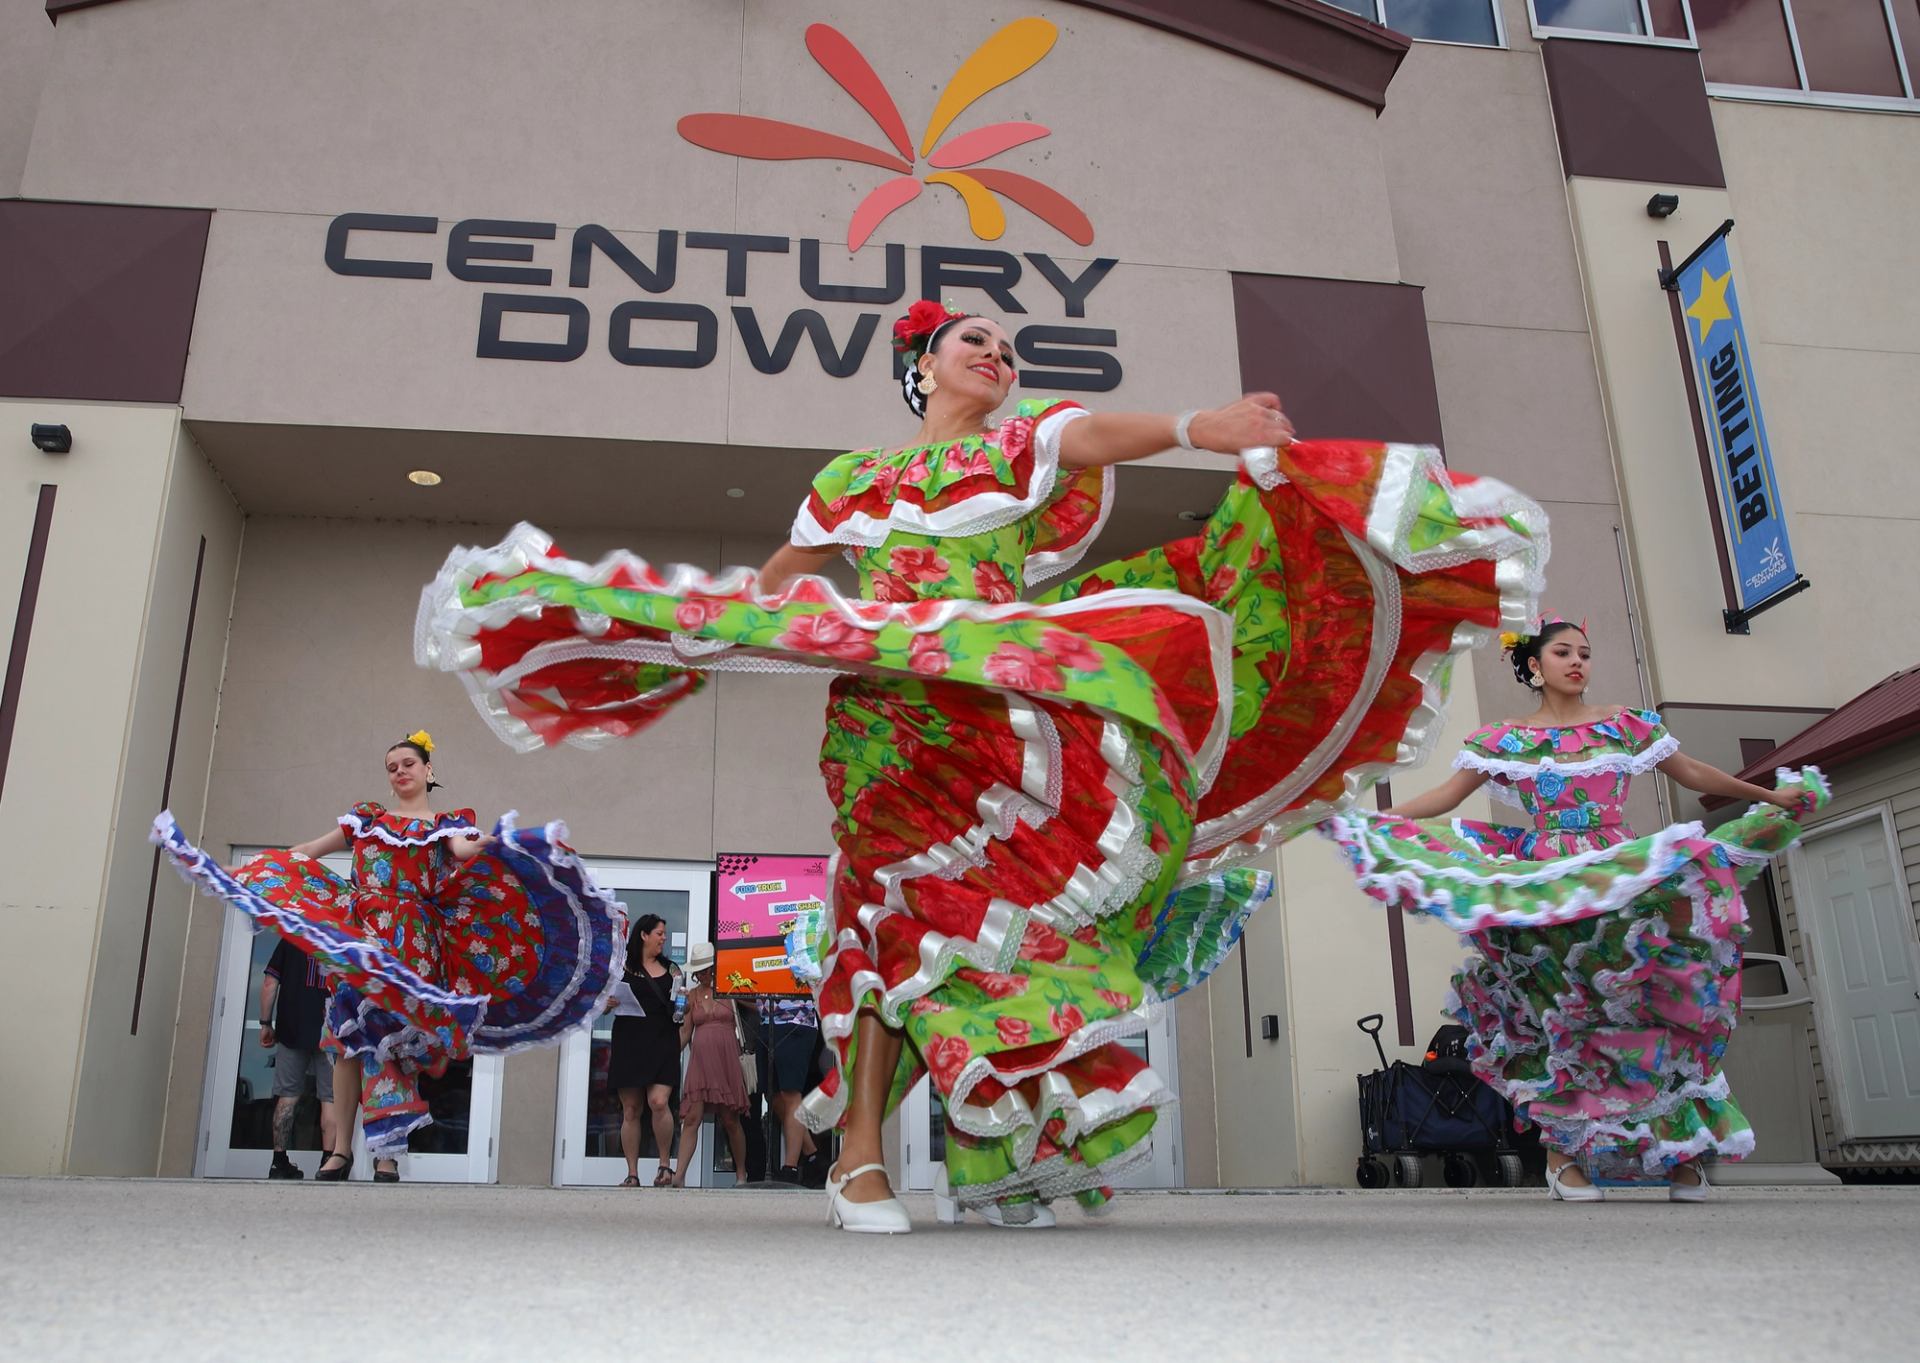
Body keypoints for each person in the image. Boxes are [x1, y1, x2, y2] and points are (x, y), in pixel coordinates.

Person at [415, 300, 1547, 1231]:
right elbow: (779, 579)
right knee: (888, 917)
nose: (998, 356)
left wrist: (1196, 426)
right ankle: (861, 1153)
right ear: (919, 366)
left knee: (985, 930)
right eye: (975, 342)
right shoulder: (854, 477)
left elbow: (1091, 437)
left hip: (1004, 713)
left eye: (1009, 348)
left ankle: (967, 1147)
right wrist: (703, 633)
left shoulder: (1021, 444)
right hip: (889, 718)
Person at [1317, 616, 1828, 1201]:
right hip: (1545, 886)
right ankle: (1561, 1160)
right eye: (1563, 652)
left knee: (1645, 1009)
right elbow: (1446, 797)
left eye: (1584, 652)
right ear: (1535, 666)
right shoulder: (1507, 739)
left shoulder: (1624, 725)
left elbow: (1691, 772)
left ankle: (1679, 1155)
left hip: (1619, 877)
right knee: (1557, 1018)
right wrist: (1376, 821)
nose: (1578, 661)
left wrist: (1769, 795)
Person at [154, 730, 623, 1182]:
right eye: (392, 767)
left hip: (411, 943)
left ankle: (387, 1155)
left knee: (391, 1042)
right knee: (345, 1039)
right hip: (360, 935)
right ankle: (341, 1150)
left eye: (408, 764)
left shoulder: (444, 825)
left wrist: (490, 842)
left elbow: (463, 849)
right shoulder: (367, 820)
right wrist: (249, 871)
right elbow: (307, 853)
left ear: (428, 770)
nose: (400, 772)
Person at [608, 913, 682, 1186]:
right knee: (631, 1109)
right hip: (629, 1041)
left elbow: (679, 1009)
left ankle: (665, 1166)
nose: (664, 938)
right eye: (659, 933)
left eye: (664, 934)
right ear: (644, 935)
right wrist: (607, 1004)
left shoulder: (673, 970)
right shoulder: (621, 967)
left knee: (659, 1102)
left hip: (663, 1041)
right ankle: (632, 1173)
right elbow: (600, 1005)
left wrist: (683, 1005)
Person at [669, 942, 750, 1187]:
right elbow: (685, 1032)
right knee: (691, 1118)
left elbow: (756, 1003)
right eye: (700, 971)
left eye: (707, 969)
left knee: (730, 1120)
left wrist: (735, 988)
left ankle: (741, 1174)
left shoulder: (729, 987)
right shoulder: (692, 995)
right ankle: (679, 1176)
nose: (703, 974)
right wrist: (667, 1055)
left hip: (726, 1059)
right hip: (701, 1063)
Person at [259, 937, 339, 1178]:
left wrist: (265, 1023)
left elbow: (270, 983)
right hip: (331, 1030)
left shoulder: (291, 938)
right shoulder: (338, 939)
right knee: (331, 1098)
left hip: (291, 1029)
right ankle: (329, 1164)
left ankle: (279, 1162)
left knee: (287, 1096)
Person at [760, 994, 827, 1186]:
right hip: (766, 1021)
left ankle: (790, 1168)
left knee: (791, 1094)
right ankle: (814, 1157)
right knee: (772, 1095)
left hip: (797, 1020)